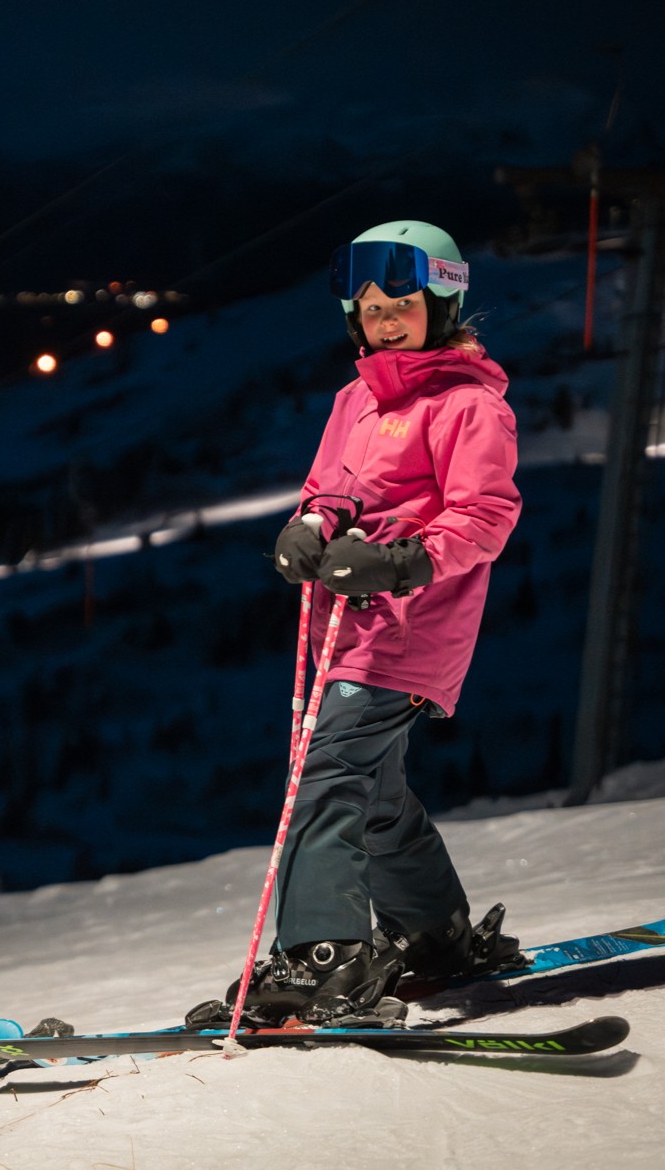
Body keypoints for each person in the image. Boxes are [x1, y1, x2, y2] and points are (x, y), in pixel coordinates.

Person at [227, 221, 523, 1027]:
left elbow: (486, 516)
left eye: (401, 303)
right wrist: (308, 529)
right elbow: (332, 491)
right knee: (375, 790)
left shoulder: (469, 407)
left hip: (411, 628)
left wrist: (404, 563)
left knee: (328, 776)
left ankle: (326, 956)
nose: (383, 319)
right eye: (368, 306)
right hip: (346, 625)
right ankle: (434, 937)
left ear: (442, 302)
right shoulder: (356, 398)